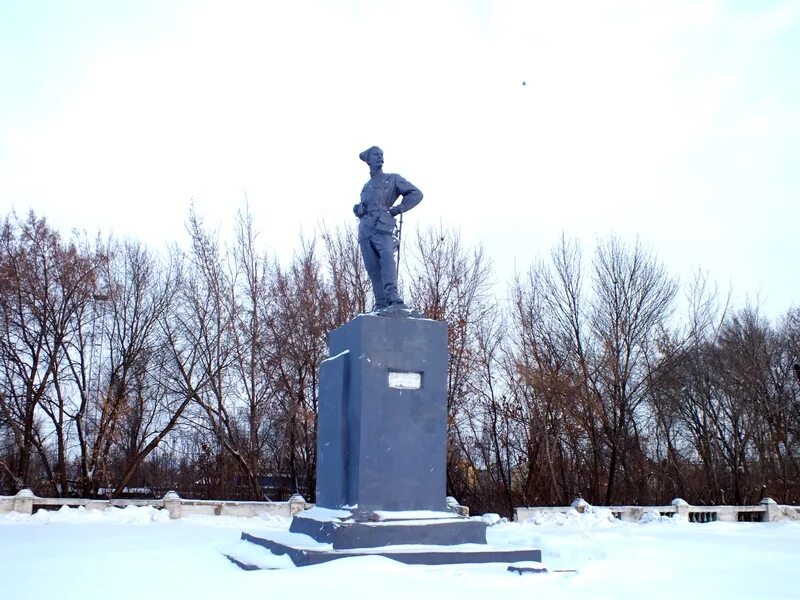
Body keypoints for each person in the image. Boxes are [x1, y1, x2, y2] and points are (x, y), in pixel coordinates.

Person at [353, 146, 422, 311]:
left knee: (387, 260)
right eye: (376, 155)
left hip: (382, 225)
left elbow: (416, 194)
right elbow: (367, 205)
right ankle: (380, 302)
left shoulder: (392, 179)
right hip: (365, 229)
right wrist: (359, 208)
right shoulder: (366, 186)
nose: (380, 157)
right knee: (372, 267)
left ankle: (392, 296)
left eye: (382, 155)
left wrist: (398, 209)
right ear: (368, 160)